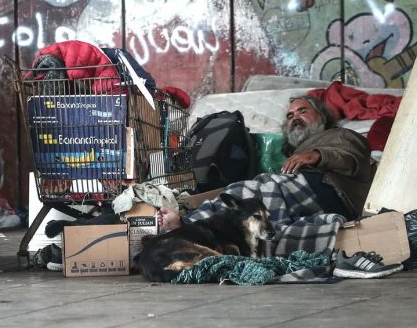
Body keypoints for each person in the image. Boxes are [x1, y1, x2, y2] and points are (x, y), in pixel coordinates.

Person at [158, 95, 373, 232]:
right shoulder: (295, 152)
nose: (295, 117)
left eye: (303, 111)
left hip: (335, 192)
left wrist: (317, 155)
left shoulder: (340, 134)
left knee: (254, 191)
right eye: (290, 116)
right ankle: (193, 228)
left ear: (322, 116)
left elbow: (352, 157)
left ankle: (184, 225)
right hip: (309, 195)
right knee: (252, 214)